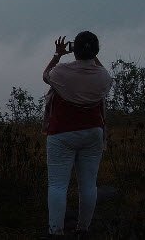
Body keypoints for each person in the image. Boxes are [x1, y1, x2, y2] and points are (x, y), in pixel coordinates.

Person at [42, 31, 113, 236]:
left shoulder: (62, 72)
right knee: (89, 184)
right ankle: (83, 229)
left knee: (57, 185)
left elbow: (46, 76)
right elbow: (104, 74)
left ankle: (56, 230)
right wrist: (93, 56)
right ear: (96, 51)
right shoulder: (102, 76)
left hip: (61, 133)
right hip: (93, 132)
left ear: (75, 50)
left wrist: (57, 55)